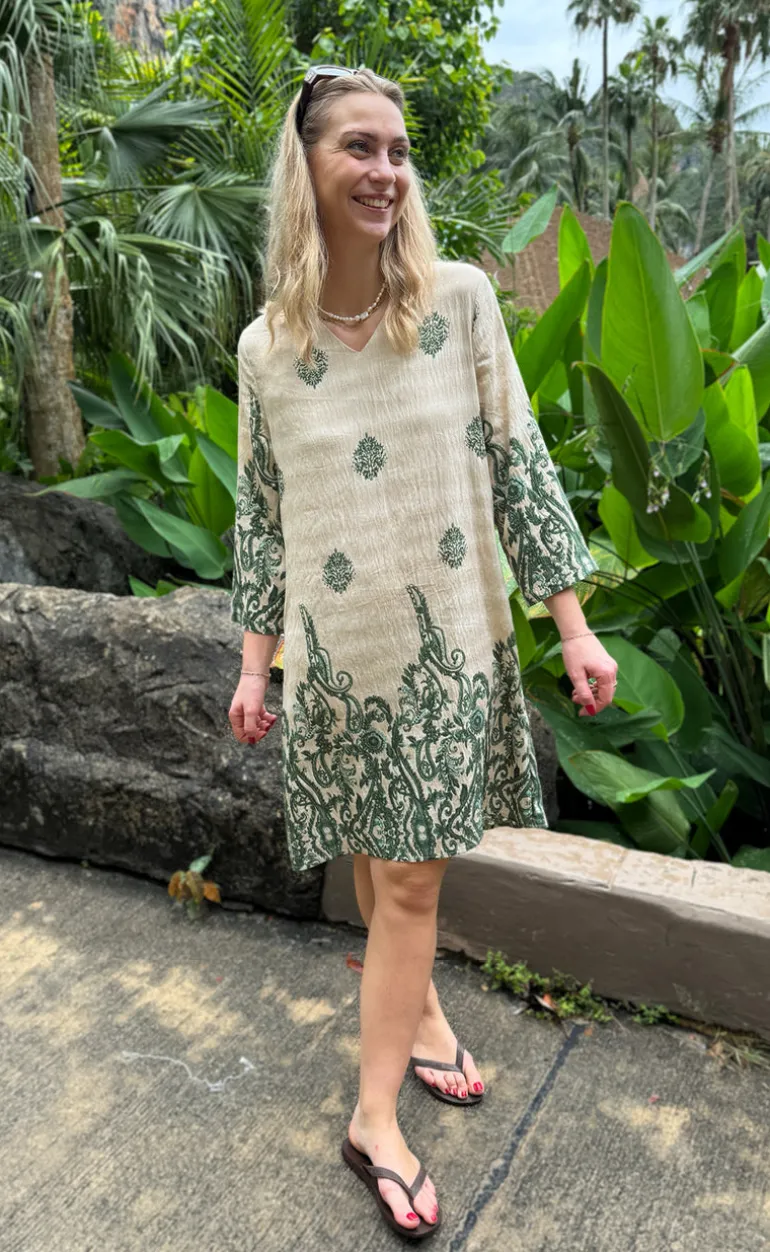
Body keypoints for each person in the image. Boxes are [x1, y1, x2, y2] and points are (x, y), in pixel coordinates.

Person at [228, 64, 618, 1240]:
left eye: (397, 151)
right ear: (305, 168)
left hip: (442, 650)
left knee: (407, 880)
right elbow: (261, 518)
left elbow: (520, 462)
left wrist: (571, 622)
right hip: (335, 662)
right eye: (359, 146)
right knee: (376, 854)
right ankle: (426, 1020)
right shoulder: (264, 350)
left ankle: (372, 1118)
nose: (385, 170)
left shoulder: (459, 304)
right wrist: (253, 664)